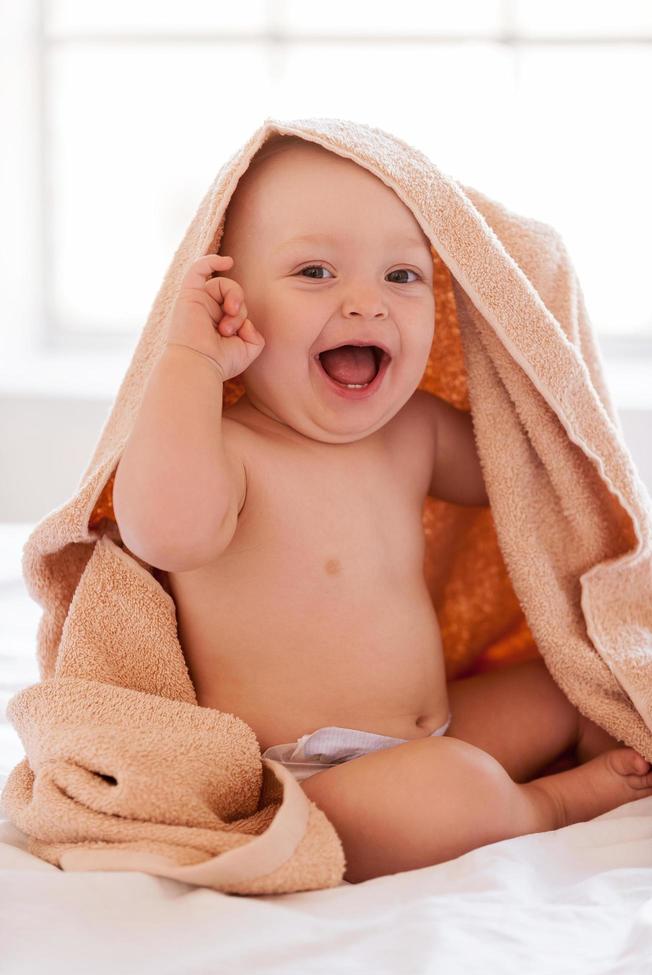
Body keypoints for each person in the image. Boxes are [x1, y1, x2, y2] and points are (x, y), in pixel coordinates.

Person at [113, 134, 652, 884]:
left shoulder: (416, 430)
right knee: (452, 790)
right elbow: (163, 533)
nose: (365, 300)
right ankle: (545, 809)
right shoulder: (230, 451)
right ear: (233, 306)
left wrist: (519, 329)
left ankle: (604, 759)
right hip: (321, 776)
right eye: (314, 271)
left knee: (585, 684)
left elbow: (534, 478)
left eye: (402, 275)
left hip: (442, 725)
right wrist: (190, 363)